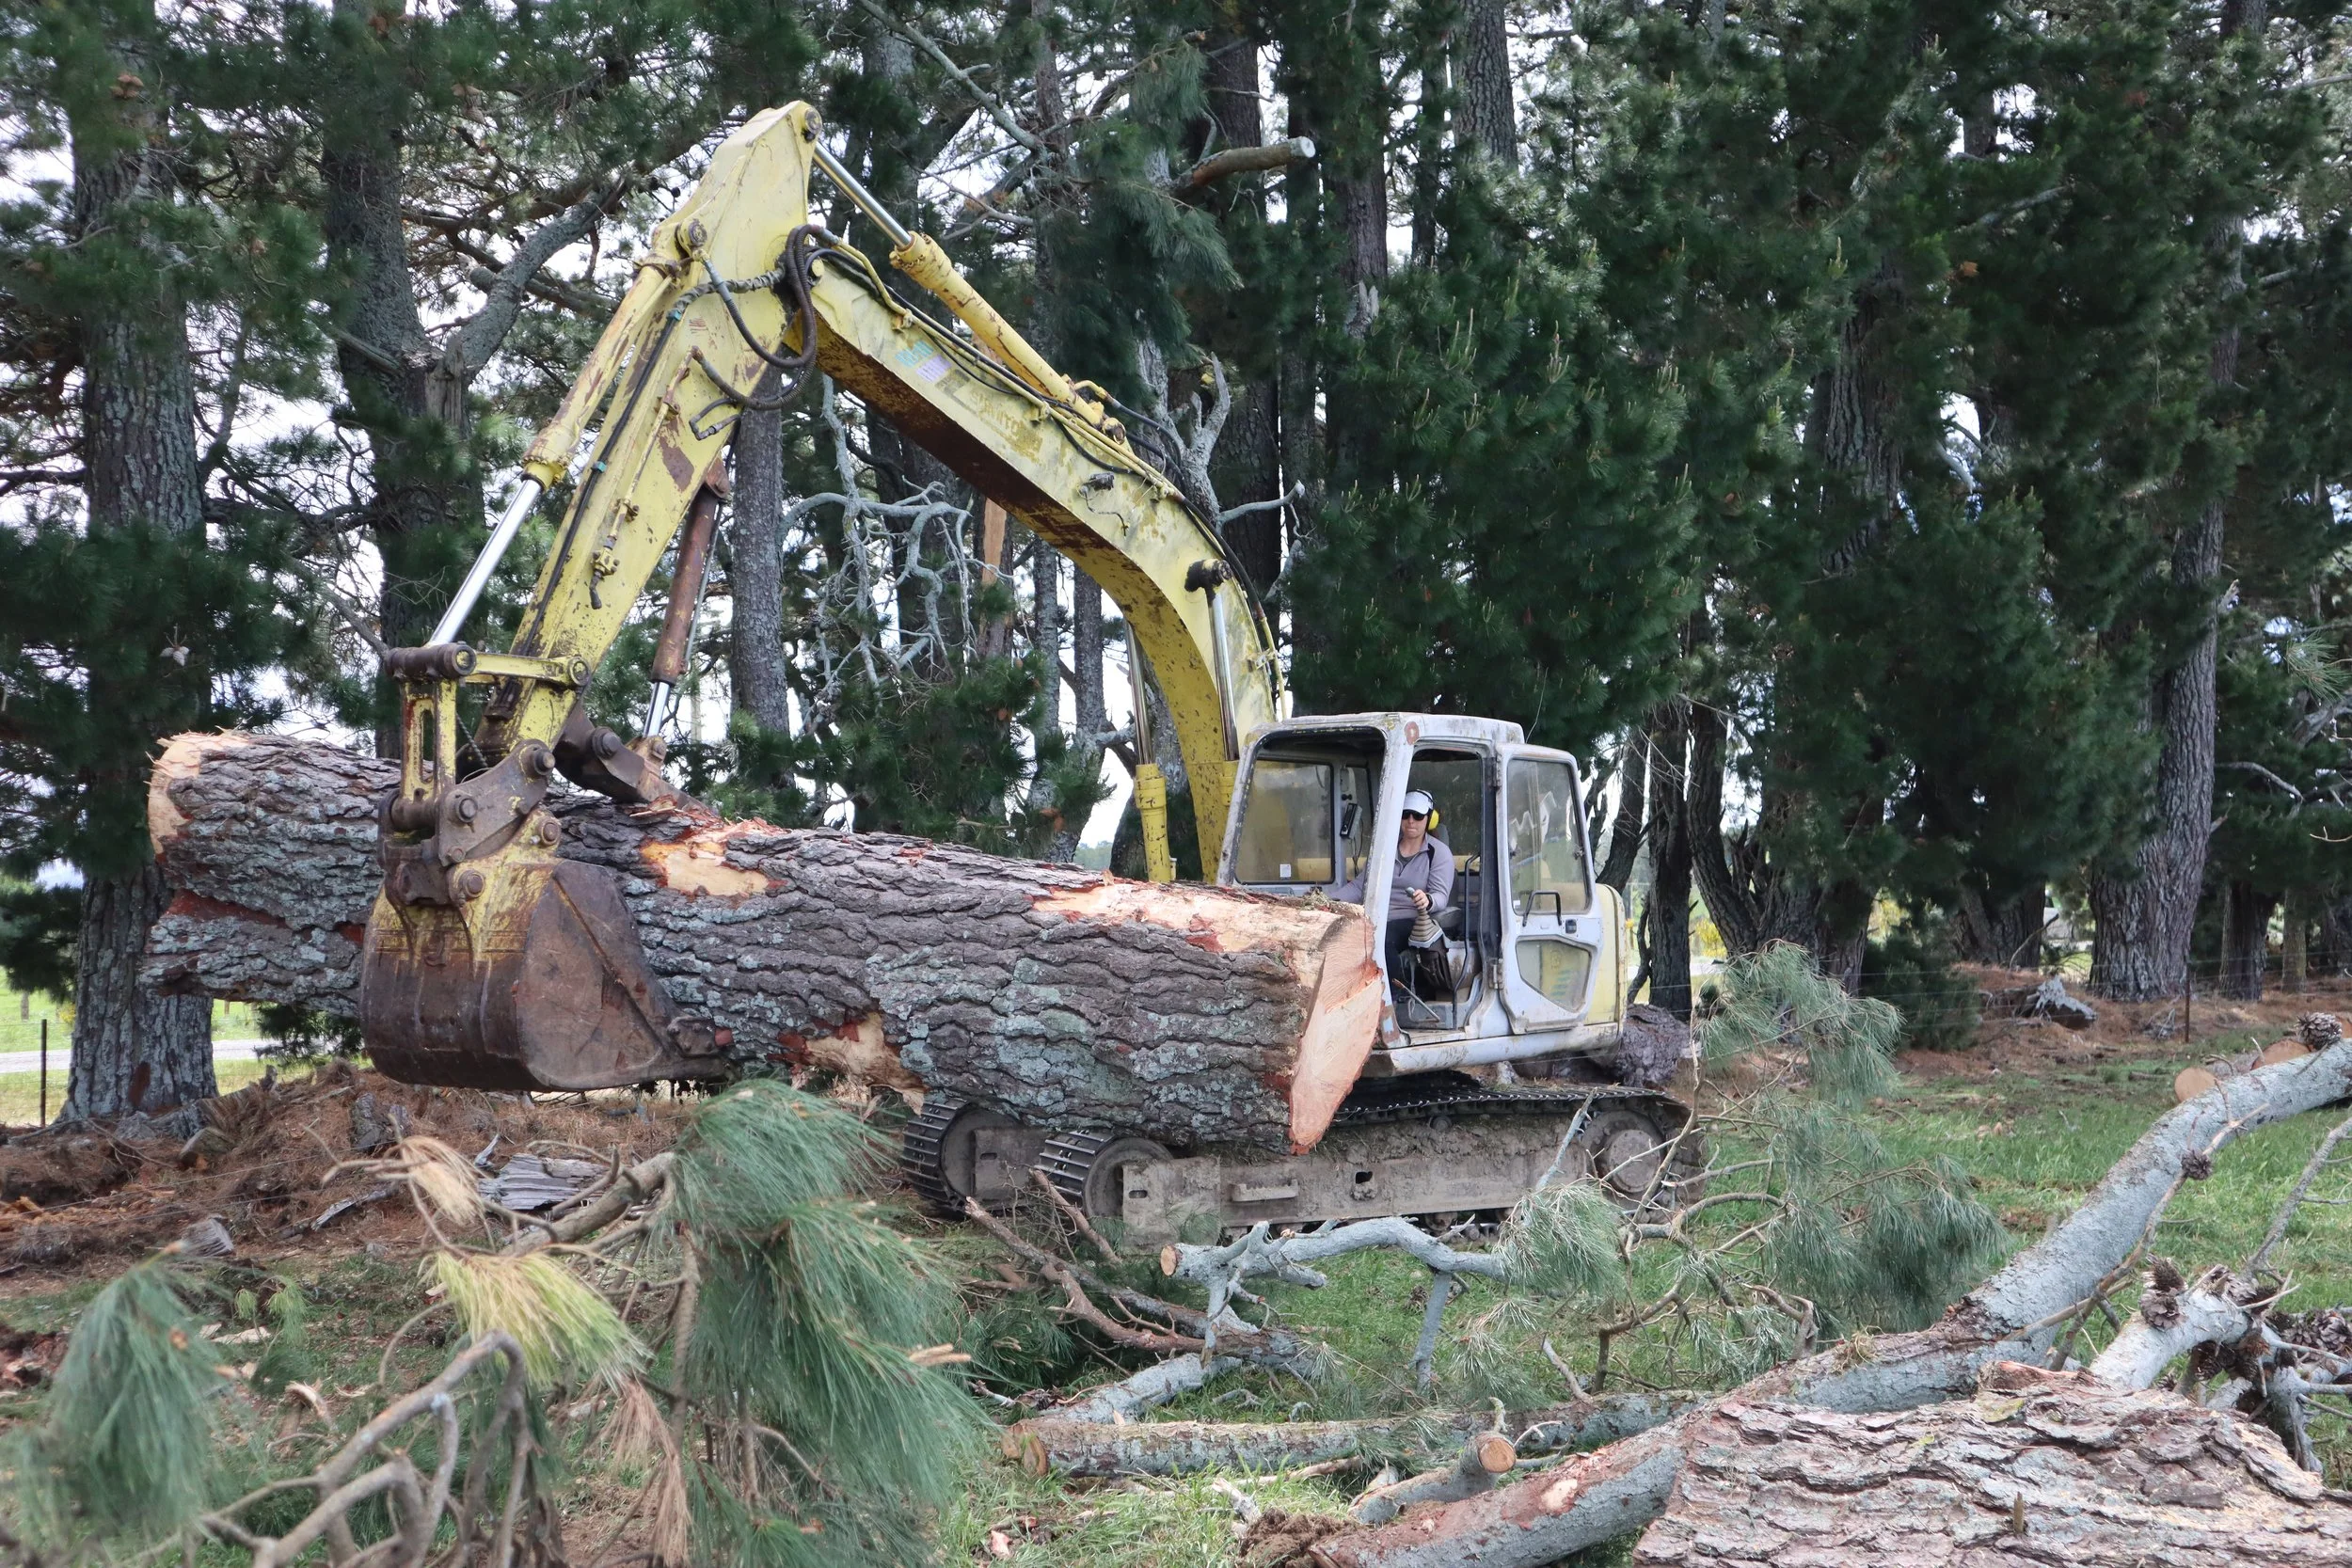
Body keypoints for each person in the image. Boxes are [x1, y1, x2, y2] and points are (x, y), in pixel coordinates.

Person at [1335, 789, 1454, 986]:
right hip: (1375, 917)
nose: (1411, 821)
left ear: (1430, 819)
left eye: (1417, 815)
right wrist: (1328, 899)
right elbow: (1359, 887)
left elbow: (1440, 896)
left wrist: (1428, 900)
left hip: (1411, 919)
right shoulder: (1385, 848)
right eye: (1405, 814)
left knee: (1380, 940)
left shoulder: (1439, 853)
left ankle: (1395, 995)